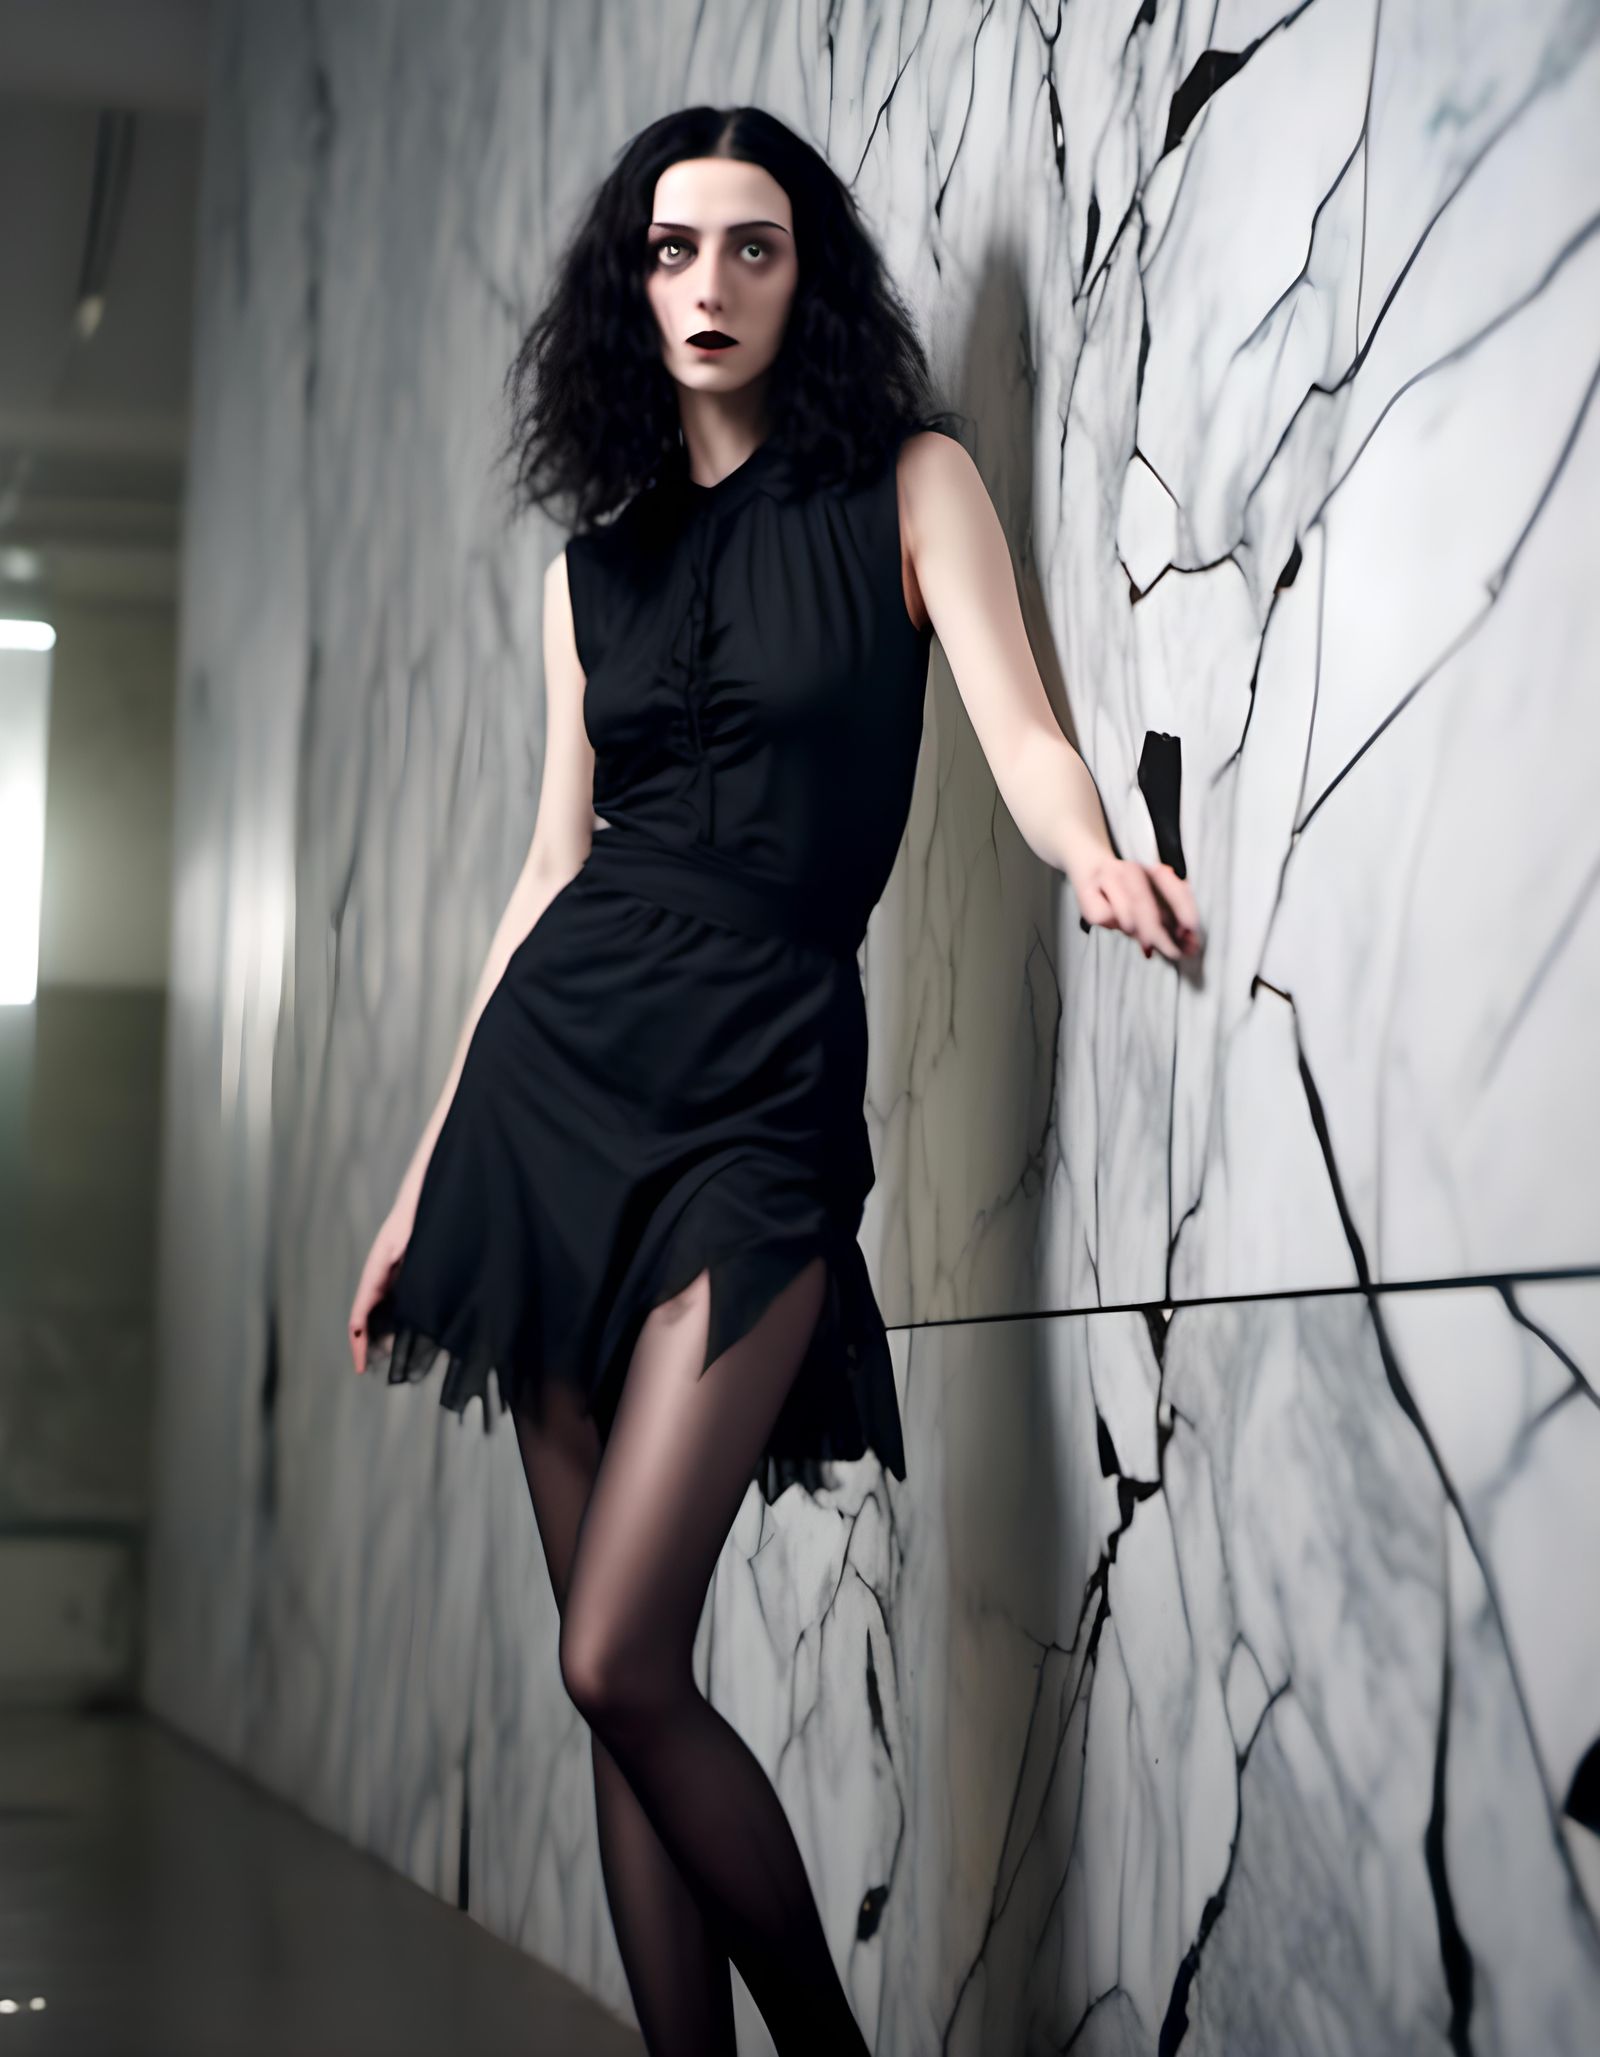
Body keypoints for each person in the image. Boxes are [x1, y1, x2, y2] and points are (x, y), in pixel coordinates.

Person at [347, 104, 1202, 2057]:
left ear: (805, 277)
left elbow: (1020, 727)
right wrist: (419, 1186)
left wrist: (1089, 855)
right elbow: (543, 870)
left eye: (749, 247)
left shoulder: (909, 487)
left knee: (613, 1652)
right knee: (613, 1695)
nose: (705, 286)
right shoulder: (588, 576)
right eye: (668, 250)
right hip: (550, 1101)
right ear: (623, 286)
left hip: (759, 1096)